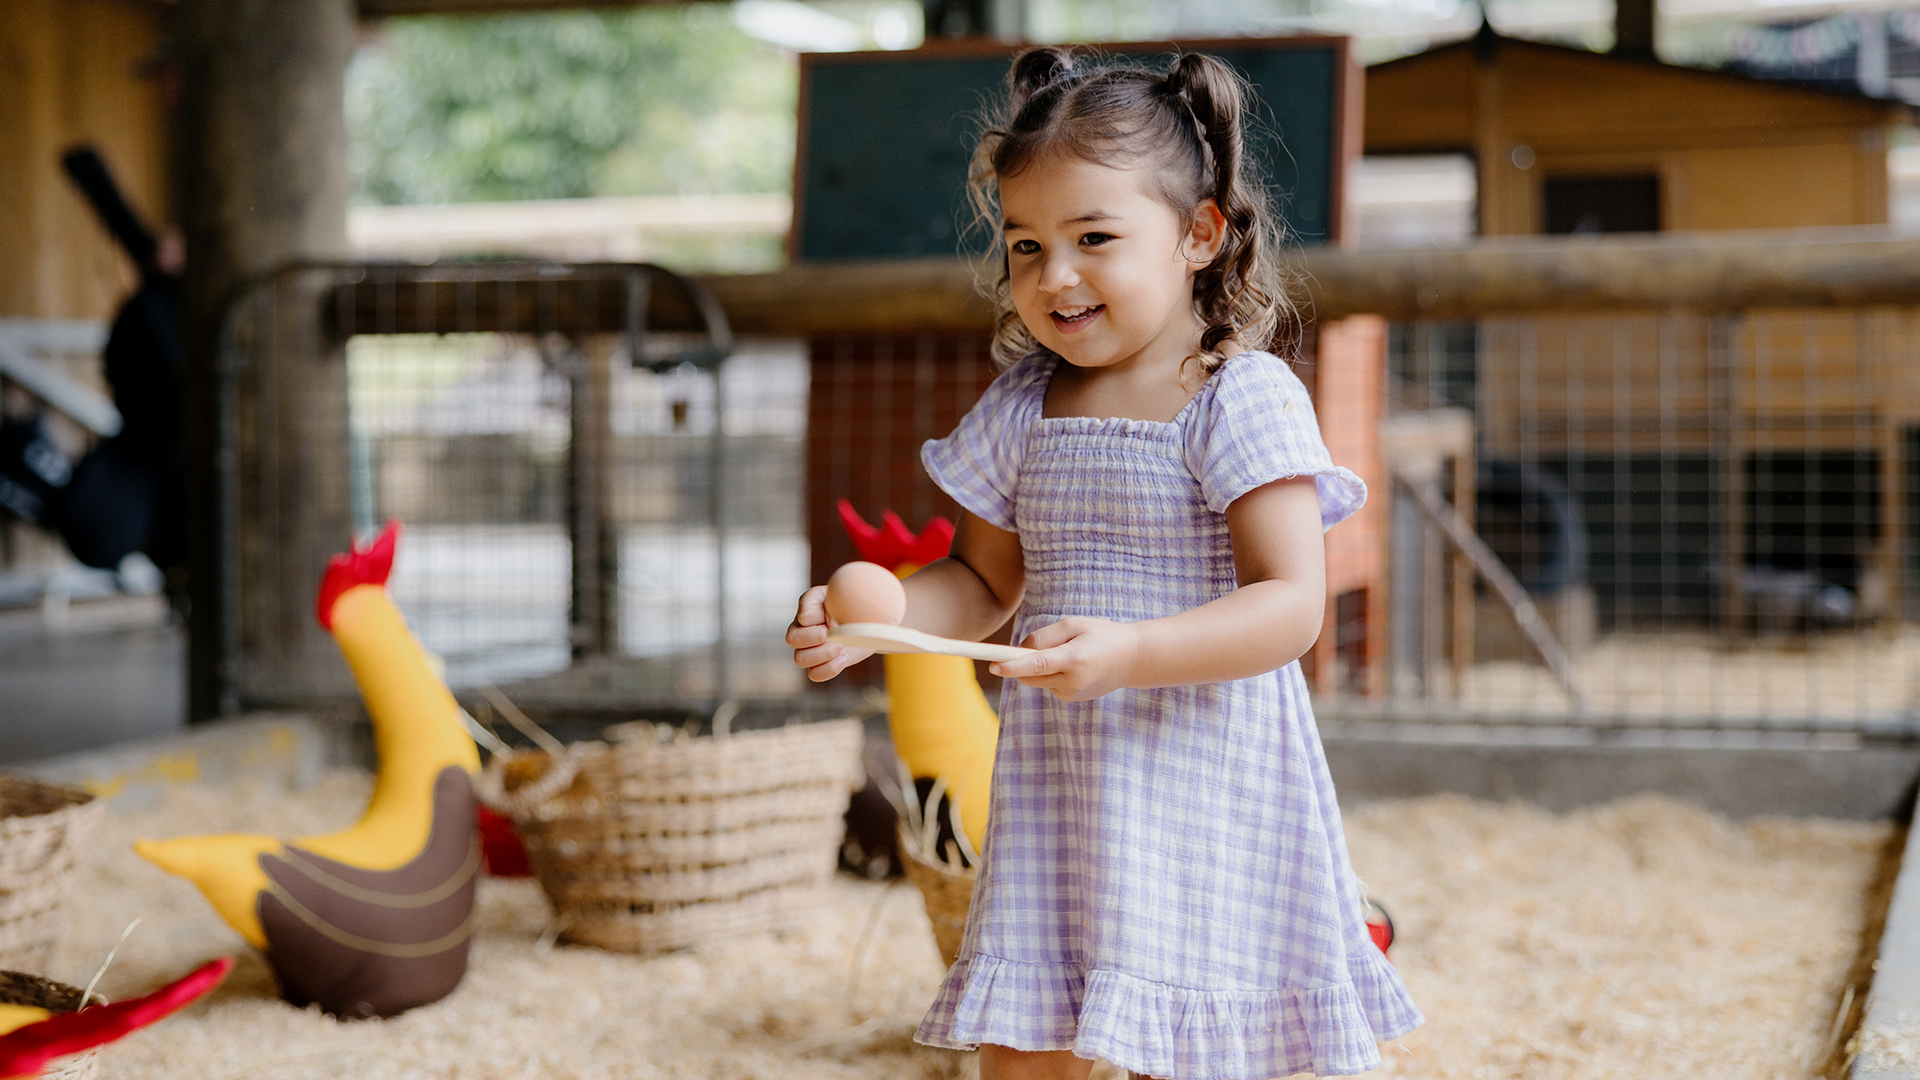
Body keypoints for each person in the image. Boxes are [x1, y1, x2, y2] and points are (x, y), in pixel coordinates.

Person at [787, 47, 1421, 1080]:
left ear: (1199, 236)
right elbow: (984, 586)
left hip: (1204, 770)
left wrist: (1133, 652)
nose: (1054, 275)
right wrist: (878, 616)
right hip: (1065, 783)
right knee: (1032, 1040)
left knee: (1215, 1033)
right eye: (1026, 243)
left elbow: (1290, 605)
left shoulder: (1237, 398)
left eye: (1094, 238)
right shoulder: (1022, 406)